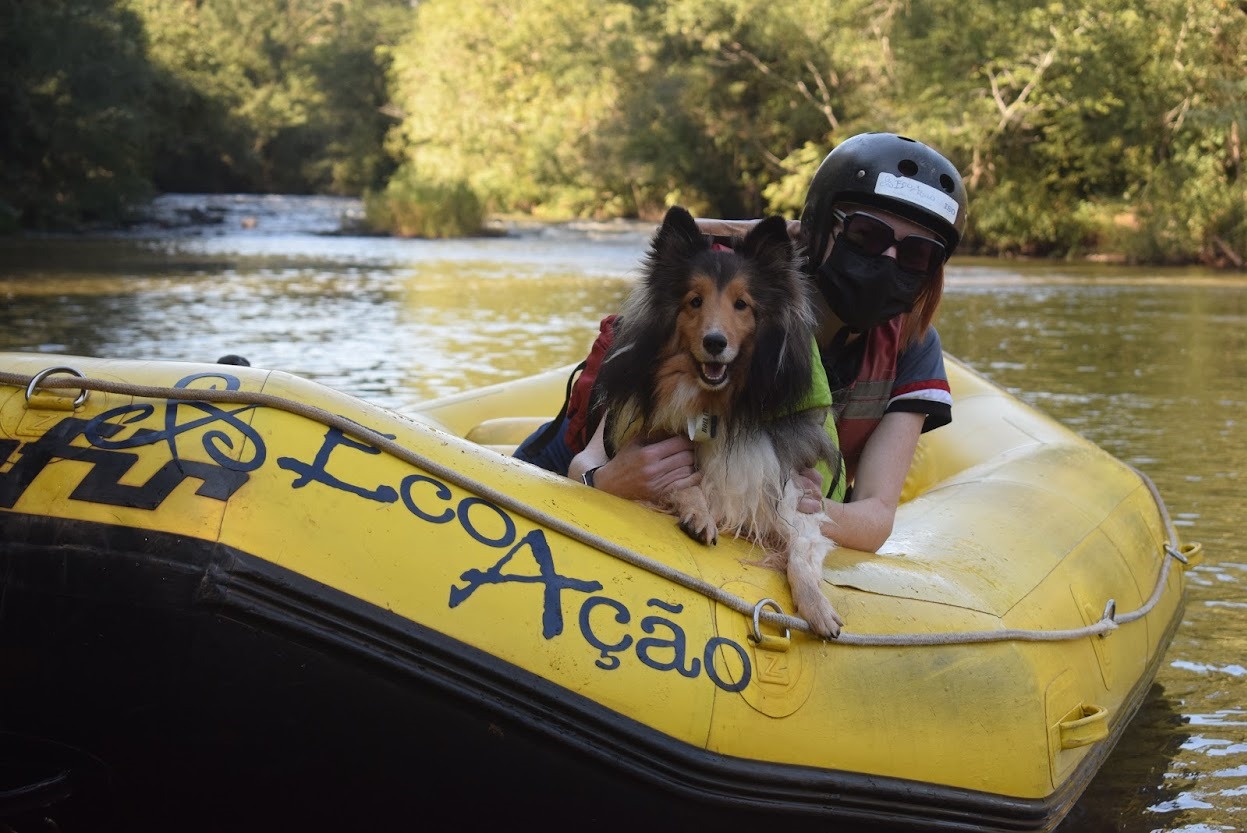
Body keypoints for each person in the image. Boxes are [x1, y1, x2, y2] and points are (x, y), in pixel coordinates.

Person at [516, 132, 968, 553]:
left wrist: (788, 508)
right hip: (573, 462)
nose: (888, 262)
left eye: (917, 254)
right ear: (822, 228)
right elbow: (589, 459)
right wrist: (607, 479)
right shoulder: (726, 297)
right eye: (866, 236)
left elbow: (873, 517)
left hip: (737, 503)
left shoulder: (913, 345)